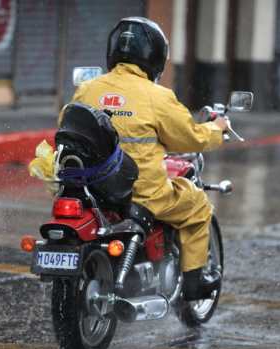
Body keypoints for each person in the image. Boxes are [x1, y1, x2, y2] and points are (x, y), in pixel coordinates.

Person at [70, 17, 228, 301]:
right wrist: (217, 129)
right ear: (155, 57)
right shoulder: (157, 97)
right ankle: (194, 285)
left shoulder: (87, 90)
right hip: (143, 193)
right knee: (197, 206)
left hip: (92, 190)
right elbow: (190, 137)